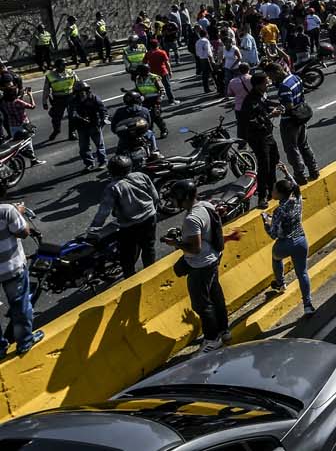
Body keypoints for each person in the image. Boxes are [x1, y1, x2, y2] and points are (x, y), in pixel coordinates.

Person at [171, 180, 237, 353]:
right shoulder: (206, 205)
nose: (172, 201)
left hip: (201, 264)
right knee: (216, 295)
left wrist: (176, 243)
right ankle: (224, 331)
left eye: (175, 198)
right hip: (213, 258)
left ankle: (211, 339)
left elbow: (195, 248)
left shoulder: (191, 219)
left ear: (184, 198)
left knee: (201, 304)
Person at [88, 155, 159, 277]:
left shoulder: (113, 188)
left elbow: (103, 213)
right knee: (148, 247)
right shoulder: (142, 176)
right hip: (149, 219)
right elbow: (155, 197)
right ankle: (150, 274)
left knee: (128, 255)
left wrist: (93, 230)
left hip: (129, 226)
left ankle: (130, 278)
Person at [262, 178, 315, 315]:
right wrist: (286, 172)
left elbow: (273, 234)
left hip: (285, 244)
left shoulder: (279, 211)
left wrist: (266, 222)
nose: (272, 192)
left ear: (279, 194)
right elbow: (296, 186)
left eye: (274, 190)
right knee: (302, 273)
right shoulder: (297, 199)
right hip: (301, 241)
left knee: (276, 258)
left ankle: (280, 284)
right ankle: (308, 305)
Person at [0, 200, 43, 355]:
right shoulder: (6, 210)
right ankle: (24, 342)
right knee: (20, 306)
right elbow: (23, 232)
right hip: (11, 268)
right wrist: (18, 212)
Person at [242, 73, 282, 208]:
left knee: (274, 160)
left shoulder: (261, 96)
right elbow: (252, 121)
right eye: (266, 83)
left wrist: (279, 104)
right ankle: (262, 196)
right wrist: (271, 115)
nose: (268, 85)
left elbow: (265, 104)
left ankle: (273, 189)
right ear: (258, 85)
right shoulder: (250, 101)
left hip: (268, 134)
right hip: (258, 137)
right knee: (264, 165)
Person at [274, 65, 318, 185]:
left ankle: (300, 175)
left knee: (292, 149)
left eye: (271, 75)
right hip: (301, 117)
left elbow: (288, 107)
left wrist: (277, 109)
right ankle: (314, 170)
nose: (271, 78)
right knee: (304, 145)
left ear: (277, 72)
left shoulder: (284, 86)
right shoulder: (296, 78)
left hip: (289, 121)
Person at [69, 81, 108, 171]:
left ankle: (103, 162)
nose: (82, 93)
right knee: (83, 147)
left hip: (94, 125)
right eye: (79, 91)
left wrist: (103, 120)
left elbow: (103, 110)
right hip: (81, 127)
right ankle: (89, 163)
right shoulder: (73, 101)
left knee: (99, 145)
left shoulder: (94, 98)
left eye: (83, 90)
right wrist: (72, 129)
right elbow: (71, 115)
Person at [41, 60, 77, 144]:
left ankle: (72, 133)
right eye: (60, 66)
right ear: (56, 67)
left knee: (73, 116)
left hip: (70, 97)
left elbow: (77, 83)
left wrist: (80, 95)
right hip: (58, 99)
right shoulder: (50, 76)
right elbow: (46, 90)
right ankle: (56, 130)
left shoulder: (71, 72)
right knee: (56, 117)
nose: (63, 68)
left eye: (64, 66)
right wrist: (44, 102)